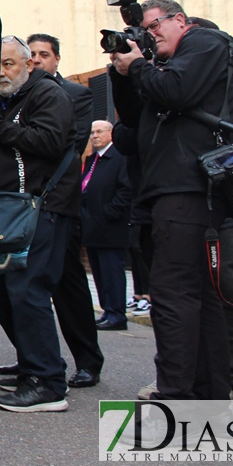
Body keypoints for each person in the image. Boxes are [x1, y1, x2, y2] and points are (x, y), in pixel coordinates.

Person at [110, 0, 233, 401]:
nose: (150, 37)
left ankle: (174, 395)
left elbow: (175, 91)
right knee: (198, 296)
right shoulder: (163, 67)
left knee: (173, 294)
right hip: (174, 189)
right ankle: (208, 394)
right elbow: (133, 121)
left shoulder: (207, 43)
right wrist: (123, 72)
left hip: (189, 187)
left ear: (181, 21)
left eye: (155, 28)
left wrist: (138, 65)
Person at [0, 36, 80, 413]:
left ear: (28, 65)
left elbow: (49, 141)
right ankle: (33, 365)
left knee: (28, 292)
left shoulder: (48, 95)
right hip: (6, 212)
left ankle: (47, 383)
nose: (2, 73)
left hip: (41, 209)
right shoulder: (6, 101)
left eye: (9, 64)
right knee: (0, 291)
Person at [22, 33, 104, 389]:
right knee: (13, 285)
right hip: (18, 205)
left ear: (56, 60)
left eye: (45, 54)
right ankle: (33, 357)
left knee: (67, 285)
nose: (38, 60)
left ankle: (88, 360)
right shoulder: (14, 96)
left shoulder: (76, 95)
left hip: (56, 202)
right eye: (33, 54)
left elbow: (69, 148)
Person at [79, 120, 132, 331]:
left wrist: (108, 213)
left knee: (111, 271)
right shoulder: (93, 159)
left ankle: (117, 313)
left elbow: (125, 191)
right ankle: (107, 309)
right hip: (92, 225)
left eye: (99, 131)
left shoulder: (119, 158)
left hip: (110, 226)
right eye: (91, 132)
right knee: (99, 273)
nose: (94, 136)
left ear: (111, 133)